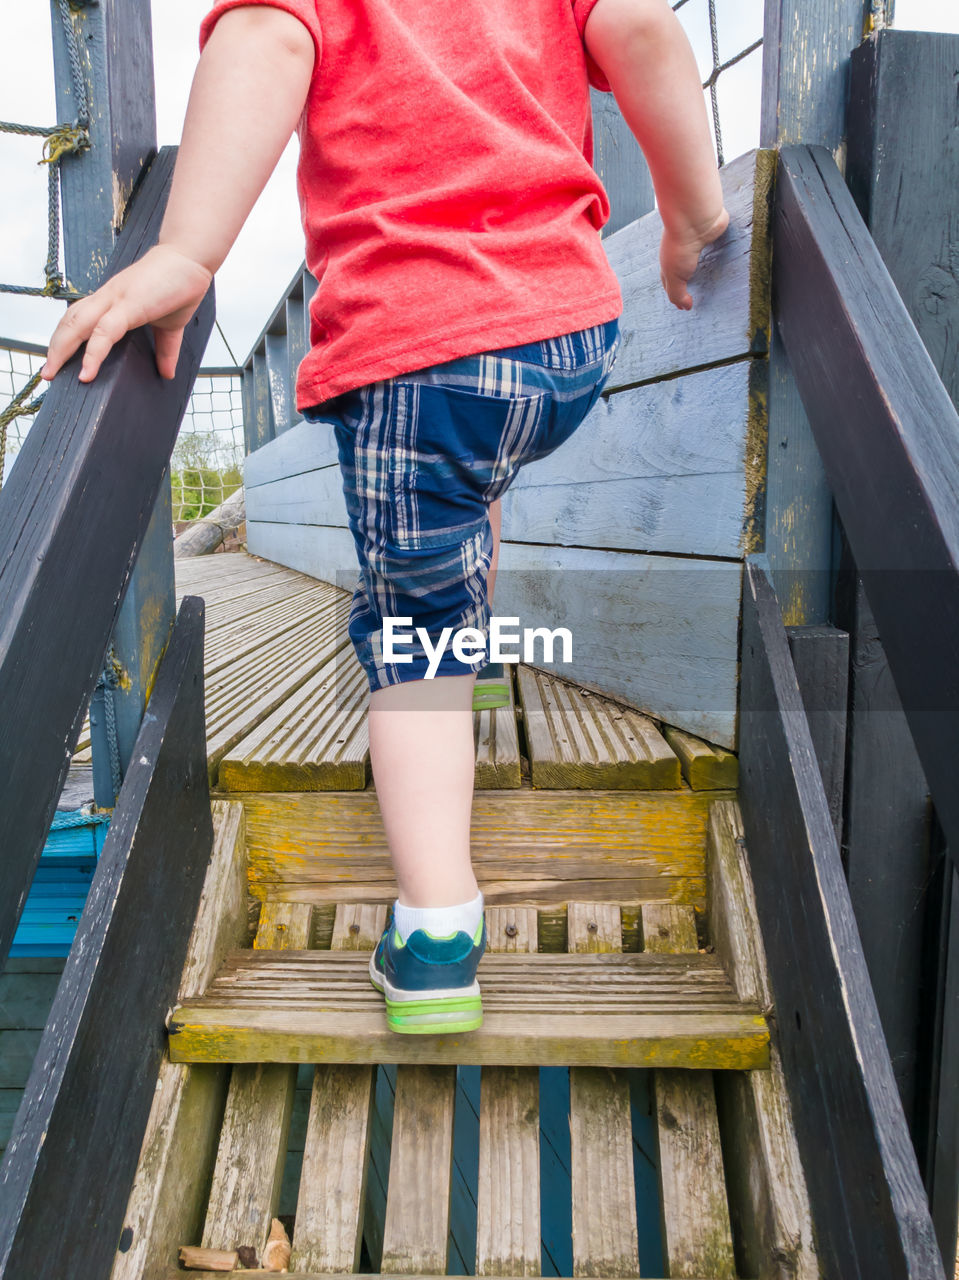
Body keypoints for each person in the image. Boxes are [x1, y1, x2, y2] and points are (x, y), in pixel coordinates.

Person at [40, 0, 730, 1034]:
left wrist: (187, 250)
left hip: (420, 347)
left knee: (412, 641)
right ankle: (467, 628)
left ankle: (437, 930)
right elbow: (643, 30)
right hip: (567, 338)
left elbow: (263, 44)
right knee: (463, 495)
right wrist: (689, 214)